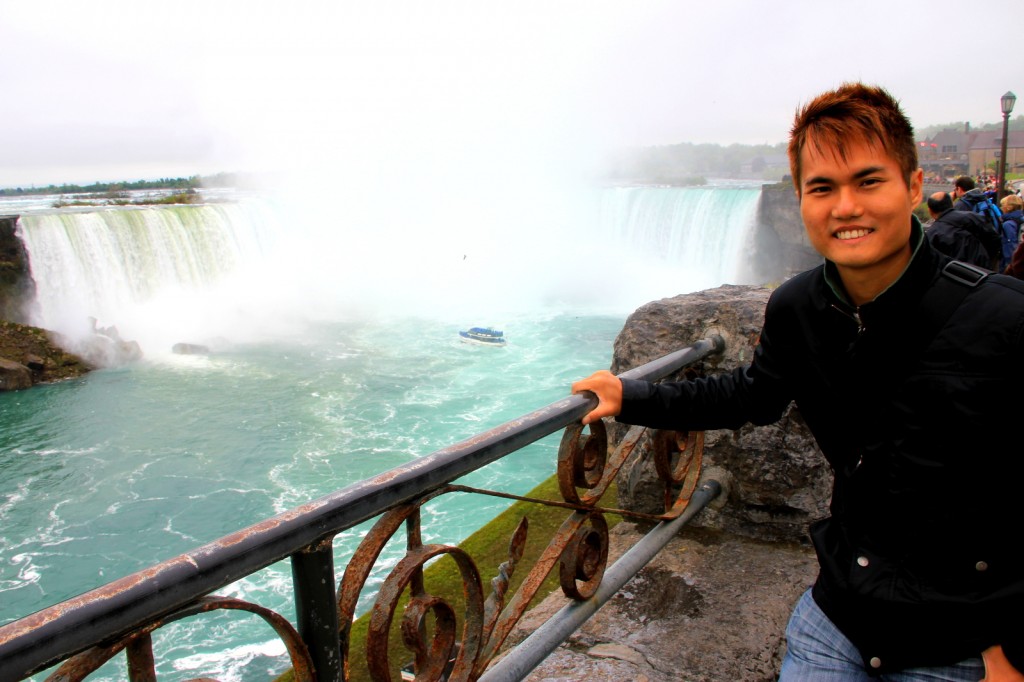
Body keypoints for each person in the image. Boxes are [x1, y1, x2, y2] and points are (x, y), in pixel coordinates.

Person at [572, 83, 1024, 681]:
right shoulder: (798, 307)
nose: (846, 207)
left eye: (869, 181)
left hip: (962, 639)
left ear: (913, 188)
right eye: (822, 188)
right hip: (838, 615)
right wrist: (631, 394)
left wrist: (1010, 649)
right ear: (803, 200)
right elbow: (750, 395)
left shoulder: (1004, 319)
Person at [925, 191, 1000, 269]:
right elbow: (994, 239)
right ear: (952, 204)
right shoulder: (974, 218)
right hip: (982, 270)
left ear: (930, 210)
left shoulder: (932, 234)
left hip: (952, 275)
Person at [1000, 194, 1024, 271]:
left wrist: (1010, 263)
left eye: (1003, 205)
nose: (1001, 208)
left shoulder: (1008, 224)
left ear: (1009, 207)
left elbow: (1010, 244)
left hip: (1010, 261)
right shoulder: (1020, 218)